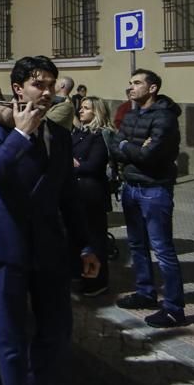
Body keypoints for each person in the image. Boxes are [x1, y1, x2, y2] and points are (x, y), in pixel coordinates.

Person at [0, 55, 99, 385]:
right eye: (38, 85)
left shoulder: (60, 136)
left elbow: (68, 196)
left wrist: (86, 245)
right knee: (10, 336)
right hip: (7, 243)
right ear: (18, 88)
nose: (46, 92)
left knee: (58, 329)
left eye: (50, 85)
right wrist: (20, 134)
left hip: (48, 245)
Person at [107, 69, 187, 328]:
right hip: (131, 186)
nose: (131, 87)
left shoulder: (164, 117)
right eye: (130, 83)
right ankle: (145, 293)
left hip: (155, 189)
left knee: (162, 249)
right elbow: (115, 146)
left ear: (152, 88)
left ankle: (174, 307)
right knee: (137, 245)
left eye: (137, 83)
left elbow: (150, 155)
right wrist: (130, 147)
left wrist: (126, 147)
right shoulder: (131, 114)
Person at [72, 96, 112, 297]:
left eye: (86, 108)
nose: (81, 111)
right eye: (81, 108)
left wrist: (75, 164)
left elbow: (93, 166)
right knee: (81, 237)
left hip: (92, 195)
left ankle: (97, 282)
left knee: (95, 238)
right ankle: (82, 275)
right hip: (77, 193)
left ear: (97, 112)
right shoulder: (78, 132)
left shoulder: (101, 136)